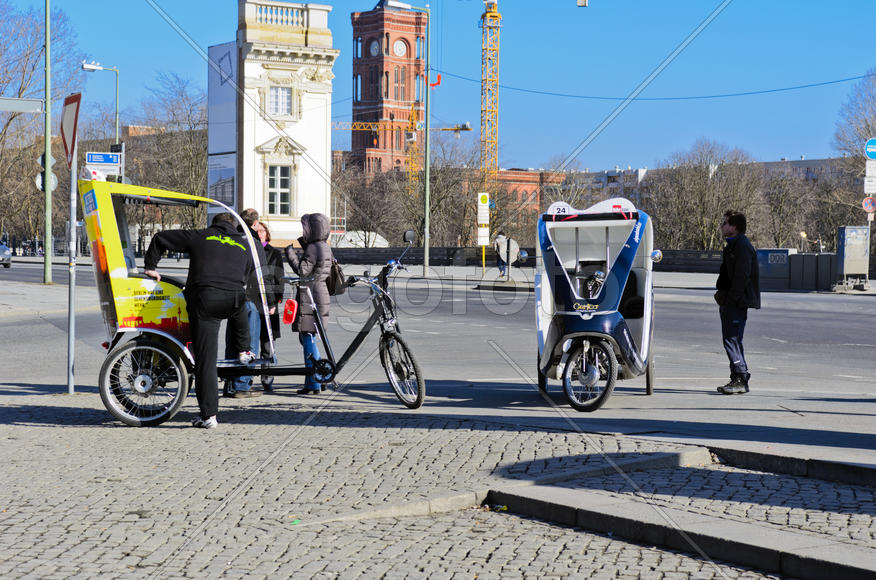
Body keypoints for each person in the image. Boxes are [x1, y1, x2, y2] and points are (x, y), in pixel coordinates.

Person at [143, 212, 253, 429]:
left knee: (206, 360)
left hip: (206, 298)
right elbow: (247, 273)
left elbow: (160, 237)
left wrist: (150, 267)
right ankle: (244, 350)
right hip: (234, 296)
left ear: (214, 225)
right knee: (240, 305)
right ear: (232, 227)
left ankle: (209, 416)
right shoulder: (243, 244)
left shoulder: (201, 236)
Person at [222, 208, 269, 398]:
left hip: (230, 296)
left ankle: (229, 382)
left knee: (232, 341)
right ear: (255, 224)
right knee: (249, 342)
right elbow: (262, 273)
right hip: (249, 298)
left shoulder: (229, 240)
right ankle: (242, 384)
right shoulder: (254, 243)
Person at [284, 213, 333, 395]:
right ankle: (320, 377)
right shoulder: (324, 247)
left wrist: (290, 253)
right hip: (321, 293)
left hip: (310, 295)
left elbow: (302, 271)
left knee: (308, 338)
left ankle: (314, 382)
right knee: (309, 338)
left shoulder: (313, 247)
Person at [714, 210, 761, 395]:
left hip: (736, 302)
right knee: (733, 340)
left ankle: (740, 377)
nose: (722, 226)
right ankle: (738, 377)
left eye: (725, 223)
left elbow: (742, 276)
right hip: (733, 300)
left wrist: (731, 299)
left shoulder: (742, 246)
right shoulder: (733, 245)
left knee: (731, 340)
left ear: (734, 226)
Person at [256, 222, 286, 391]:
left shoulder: (274, 253)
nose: (260, 233)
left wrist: (276, 300)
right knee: (251, 342)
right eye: (257, 231)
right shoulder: (248, 249)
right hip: (253, 300)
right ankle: (245, 380)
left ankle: (267, 379)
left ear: (267, 233)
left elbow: (279, 278)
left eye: (262, 231)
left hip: (269, 301)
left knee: (268, 343)